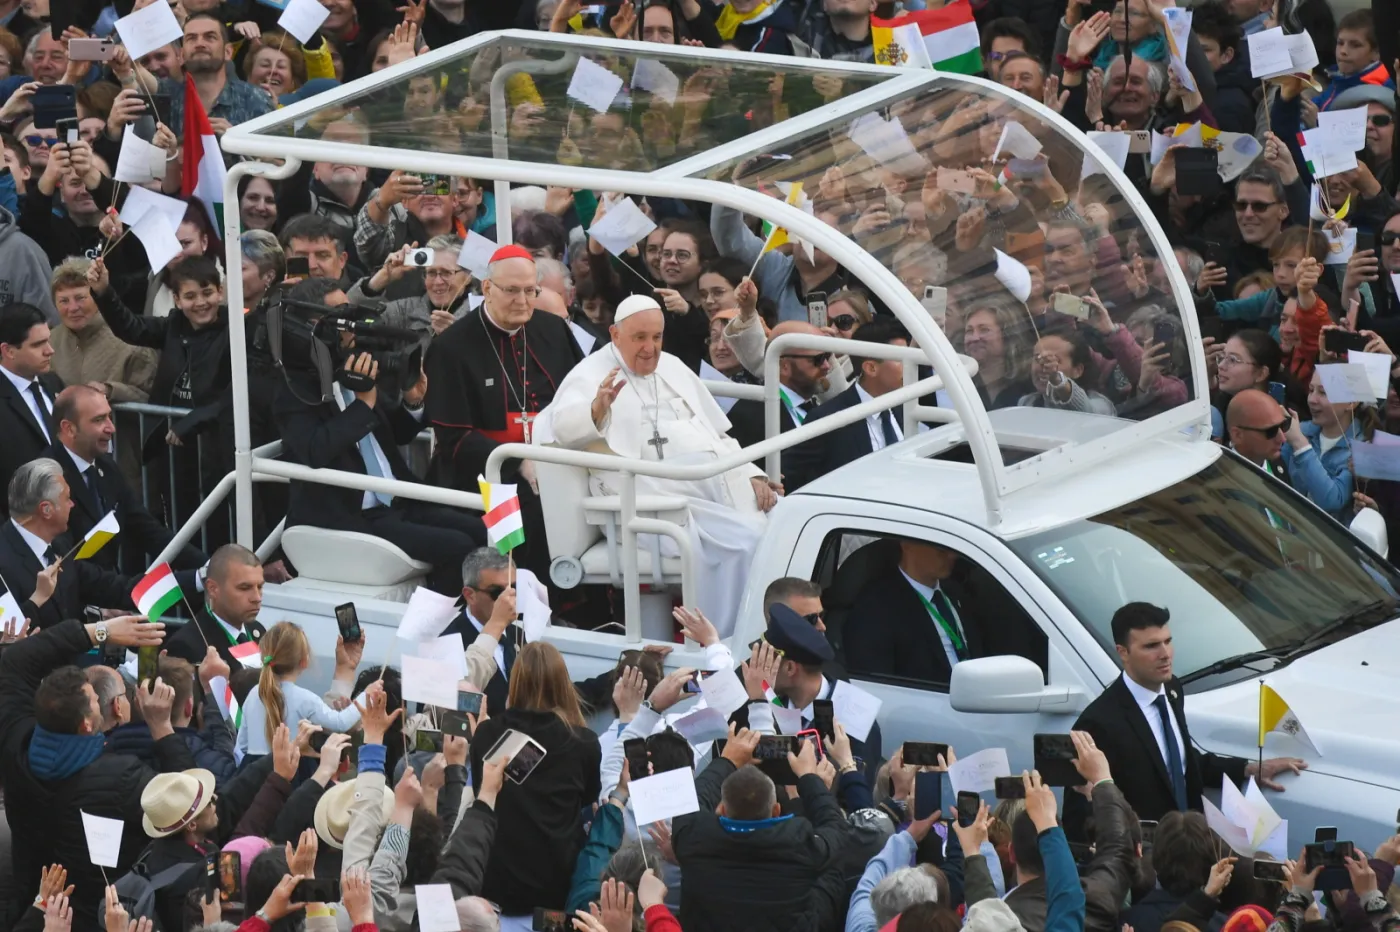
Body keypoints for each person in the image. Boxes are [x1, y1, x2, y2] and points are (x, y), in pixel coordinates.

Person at [542, 294, 778, 635]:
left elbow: (716, 436)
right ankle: (728, 636)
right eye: (639, 338)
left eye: (657, 337)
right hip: (643, 494)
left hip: (705, 481)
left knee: (779, 523)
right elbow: (560, 430)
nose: (650, 348)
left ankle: (762, 631)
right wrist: (597, 410)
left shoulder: (672, 367)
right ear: (615, 334)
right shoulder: (590, 374)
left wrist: (752, 473)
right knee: (745, 542)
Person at [273, 313, 485, 596]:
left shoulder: (353, 372)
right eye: (342, 326)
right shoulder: (295, 390)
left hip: (397, 501)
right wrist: (362, 406)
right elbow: (315, 450)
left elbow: (397, 434)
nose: (352, 334)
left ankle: (483, 616)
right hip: (350, 514)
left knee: (482, 531)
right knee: (457, 546)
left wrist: (414, 402)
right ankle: (436, 626)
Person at [0, 614, 180, 932]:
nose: (100, 700)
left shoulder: (14, 742)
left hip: (34, 904)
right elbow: (191, 804)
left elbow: (14, 660)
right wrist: (162, 727)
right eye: (96, 700)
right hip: (101, 918)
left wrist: (101, 631)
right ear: (86, 723)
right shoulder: (121, 777)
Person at [1067, 603, 1304, 829]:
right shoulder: (1097, 724)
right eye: (1151, 646)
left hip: (1191, 847)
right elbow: (1081, 813)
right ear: (1123, 652)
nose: (1165, 654)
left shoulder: (1172, 690)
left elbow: (1182, 763)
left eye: (1168, 642)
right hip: (1144, 859)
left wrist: (1249, 769)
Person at [424, 245, 582, 576]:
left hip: (553, 460)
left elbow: (578, 395)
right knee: (530, 514)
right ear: (487, 289)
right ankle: (522, 603)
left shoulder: (552, 329)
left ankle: (581, 604)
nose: (523, 301)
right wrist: (516, 460)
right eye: (511, 291)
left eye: (530, 291)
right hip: (483, 476)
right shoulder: (451, 346)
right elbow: (454, 438)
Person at [468, 641, 601, 927]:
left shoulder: (487, 734)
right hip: (553, 890)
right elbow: (588, 801)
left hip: (497, 889)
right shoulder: (583, 743)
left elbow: (484, 795)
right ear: (563, 684)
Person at [670, 729, 849, 931]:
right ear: (776, 811)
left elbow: (692, 800)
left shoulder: (693, 838)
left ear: (721, 809)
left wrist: (728, 760)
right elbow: (835, 827)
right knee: (832, 866)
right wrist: (810, 779)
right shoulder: (802, 844)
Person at [48, 385, 208, 573]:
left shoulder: (107, 467)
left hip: (109, 589)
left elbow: (147, 530)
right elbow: (68, 566)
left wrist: (208, 566)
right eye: (99, 420)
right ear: (69, 428)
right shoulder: (47, 481)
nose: (111, 428)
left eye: (109, 416)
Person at [732, 601, 882, 774]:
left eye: (766, 661)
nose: (757, 669)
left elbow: (855, 795)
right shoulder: (767, 703)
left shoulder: (856, 721)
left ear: (790, 668)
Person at [137, 749, 277, 932]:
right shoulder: (209, 872)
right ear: (192, 825)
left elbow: (234, 796)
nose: (216, 799)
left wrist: (275, 762)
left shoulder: (155, 851)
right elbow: (255, 847)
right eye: (209, 801)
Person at [0, 458, 136, 631]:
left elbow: (107, 585)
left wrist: (173, 583)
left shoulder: (59, 545)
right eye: (67, 498)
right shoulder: (4, 562)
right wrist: (37, 599)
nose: (72, 504)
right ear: (46, 509)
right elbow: (9, 638)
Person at [784, 318, 914, 491]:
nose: (909, 366)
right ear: (871, 368)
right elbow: (788, 478)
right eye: (900, 360)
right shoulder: (828, 421)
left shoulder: (909, 408)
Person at [843, 540, 985, 685]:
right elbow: (875, 684)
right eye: (941, 548)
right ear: (907, 545)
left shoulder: (957, 593)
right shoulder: (877, 607)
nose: (953, 555)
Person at [237, 620, 370, 757]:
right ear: (304, 662)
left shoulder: (254, 693)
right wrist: (367, 695)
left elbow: (241, 745)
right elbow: (340, 723)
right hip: (289, 770)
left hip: (251, 771)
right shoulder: (305, 699)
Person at [47, 258, 157, 406]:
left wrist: (110, 391)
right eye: (64, 301)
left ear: (98, 297)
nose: (72, 308)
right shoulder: (49, 342)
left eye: (80, 298)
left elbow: (150, 398)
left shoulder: (132, 338)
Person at [726, 317, 835, 449]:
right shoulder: (748, 415)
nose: (827, 365)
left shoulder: (818, 406)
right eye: (818, 359)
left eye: (827, 356)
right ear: (784, 366)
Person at [1279, 369, 1371, 521]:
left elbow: (1331, 500)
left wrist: (1300, 445)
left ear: (1351, 402)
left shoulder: (1362, 446)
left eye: (1323, 393)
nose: (1312, 399)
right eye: (1311, 390)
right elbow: (1277, 475)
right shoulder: (1302, 430)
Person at [162, 543, 269, 670]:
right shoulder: (187, 645)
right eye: (244, 588)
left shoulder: (257, 630)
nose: (257, 597)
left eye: (260, 587)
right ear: (213, 589)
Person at [441, 546, 519, 714]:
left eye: (513, 589)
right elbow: (443, 716)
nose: (508, 599)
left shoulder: (516, 634)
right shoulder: (448, 645)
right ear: (470, 595)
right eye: (497, 592)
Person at [0, 302, 61, 513]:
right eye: (38, 345)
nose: (50, 351)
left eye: (49, 341)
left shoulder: (52, 383)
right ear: (8, 351)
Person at [1225, 389, 1291, 477]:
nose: (1282, 439)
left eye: (1283, 425)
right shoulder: (1219, 477)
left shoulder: (1276, 463)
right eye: (1271, 431)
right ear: (1237, 435)